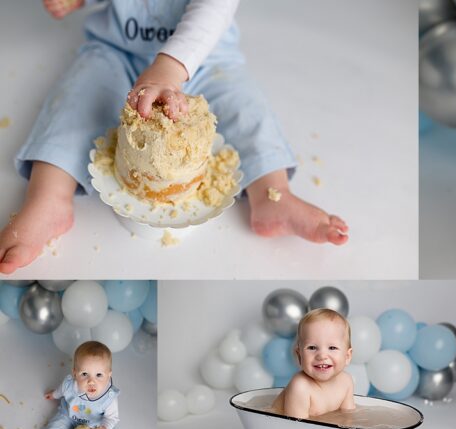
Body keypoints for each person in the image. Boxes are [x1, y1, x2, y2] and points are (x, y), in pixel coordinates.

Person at [0, 0, 348, 274]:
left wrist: (170, 67)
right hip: (116, 51)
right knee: (77, 102)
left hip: (207, 61)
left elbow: (215, 8)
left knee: (244, 109)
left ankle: (273, 195)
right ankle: (49, 196)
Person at [270, 308, 356, 419]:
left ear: (347, 356)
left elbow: (349, 418)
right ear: (299, 355)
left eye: (332, 347)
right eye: (312, 347)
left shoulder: (346, 381)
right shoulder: (301, 386)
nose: (322, 356)